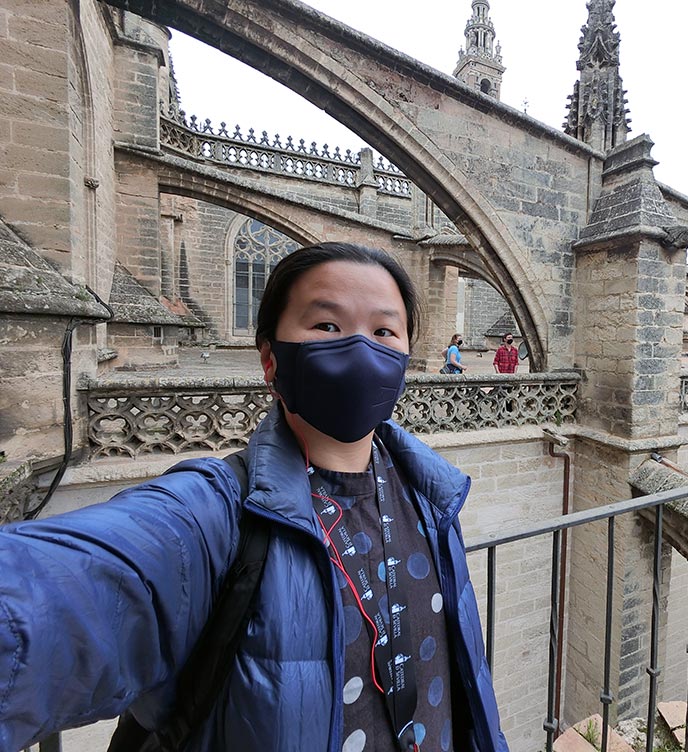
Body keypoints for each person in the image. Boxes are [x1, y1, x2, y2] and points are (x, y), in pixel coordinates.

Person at [0, 242, 508, 752]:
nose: (360, 349)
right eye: (327, 326)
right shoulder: (215, 515)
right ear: (270, 359)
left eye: (383, 332)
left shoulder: (430, 494)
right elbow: (57, 593)